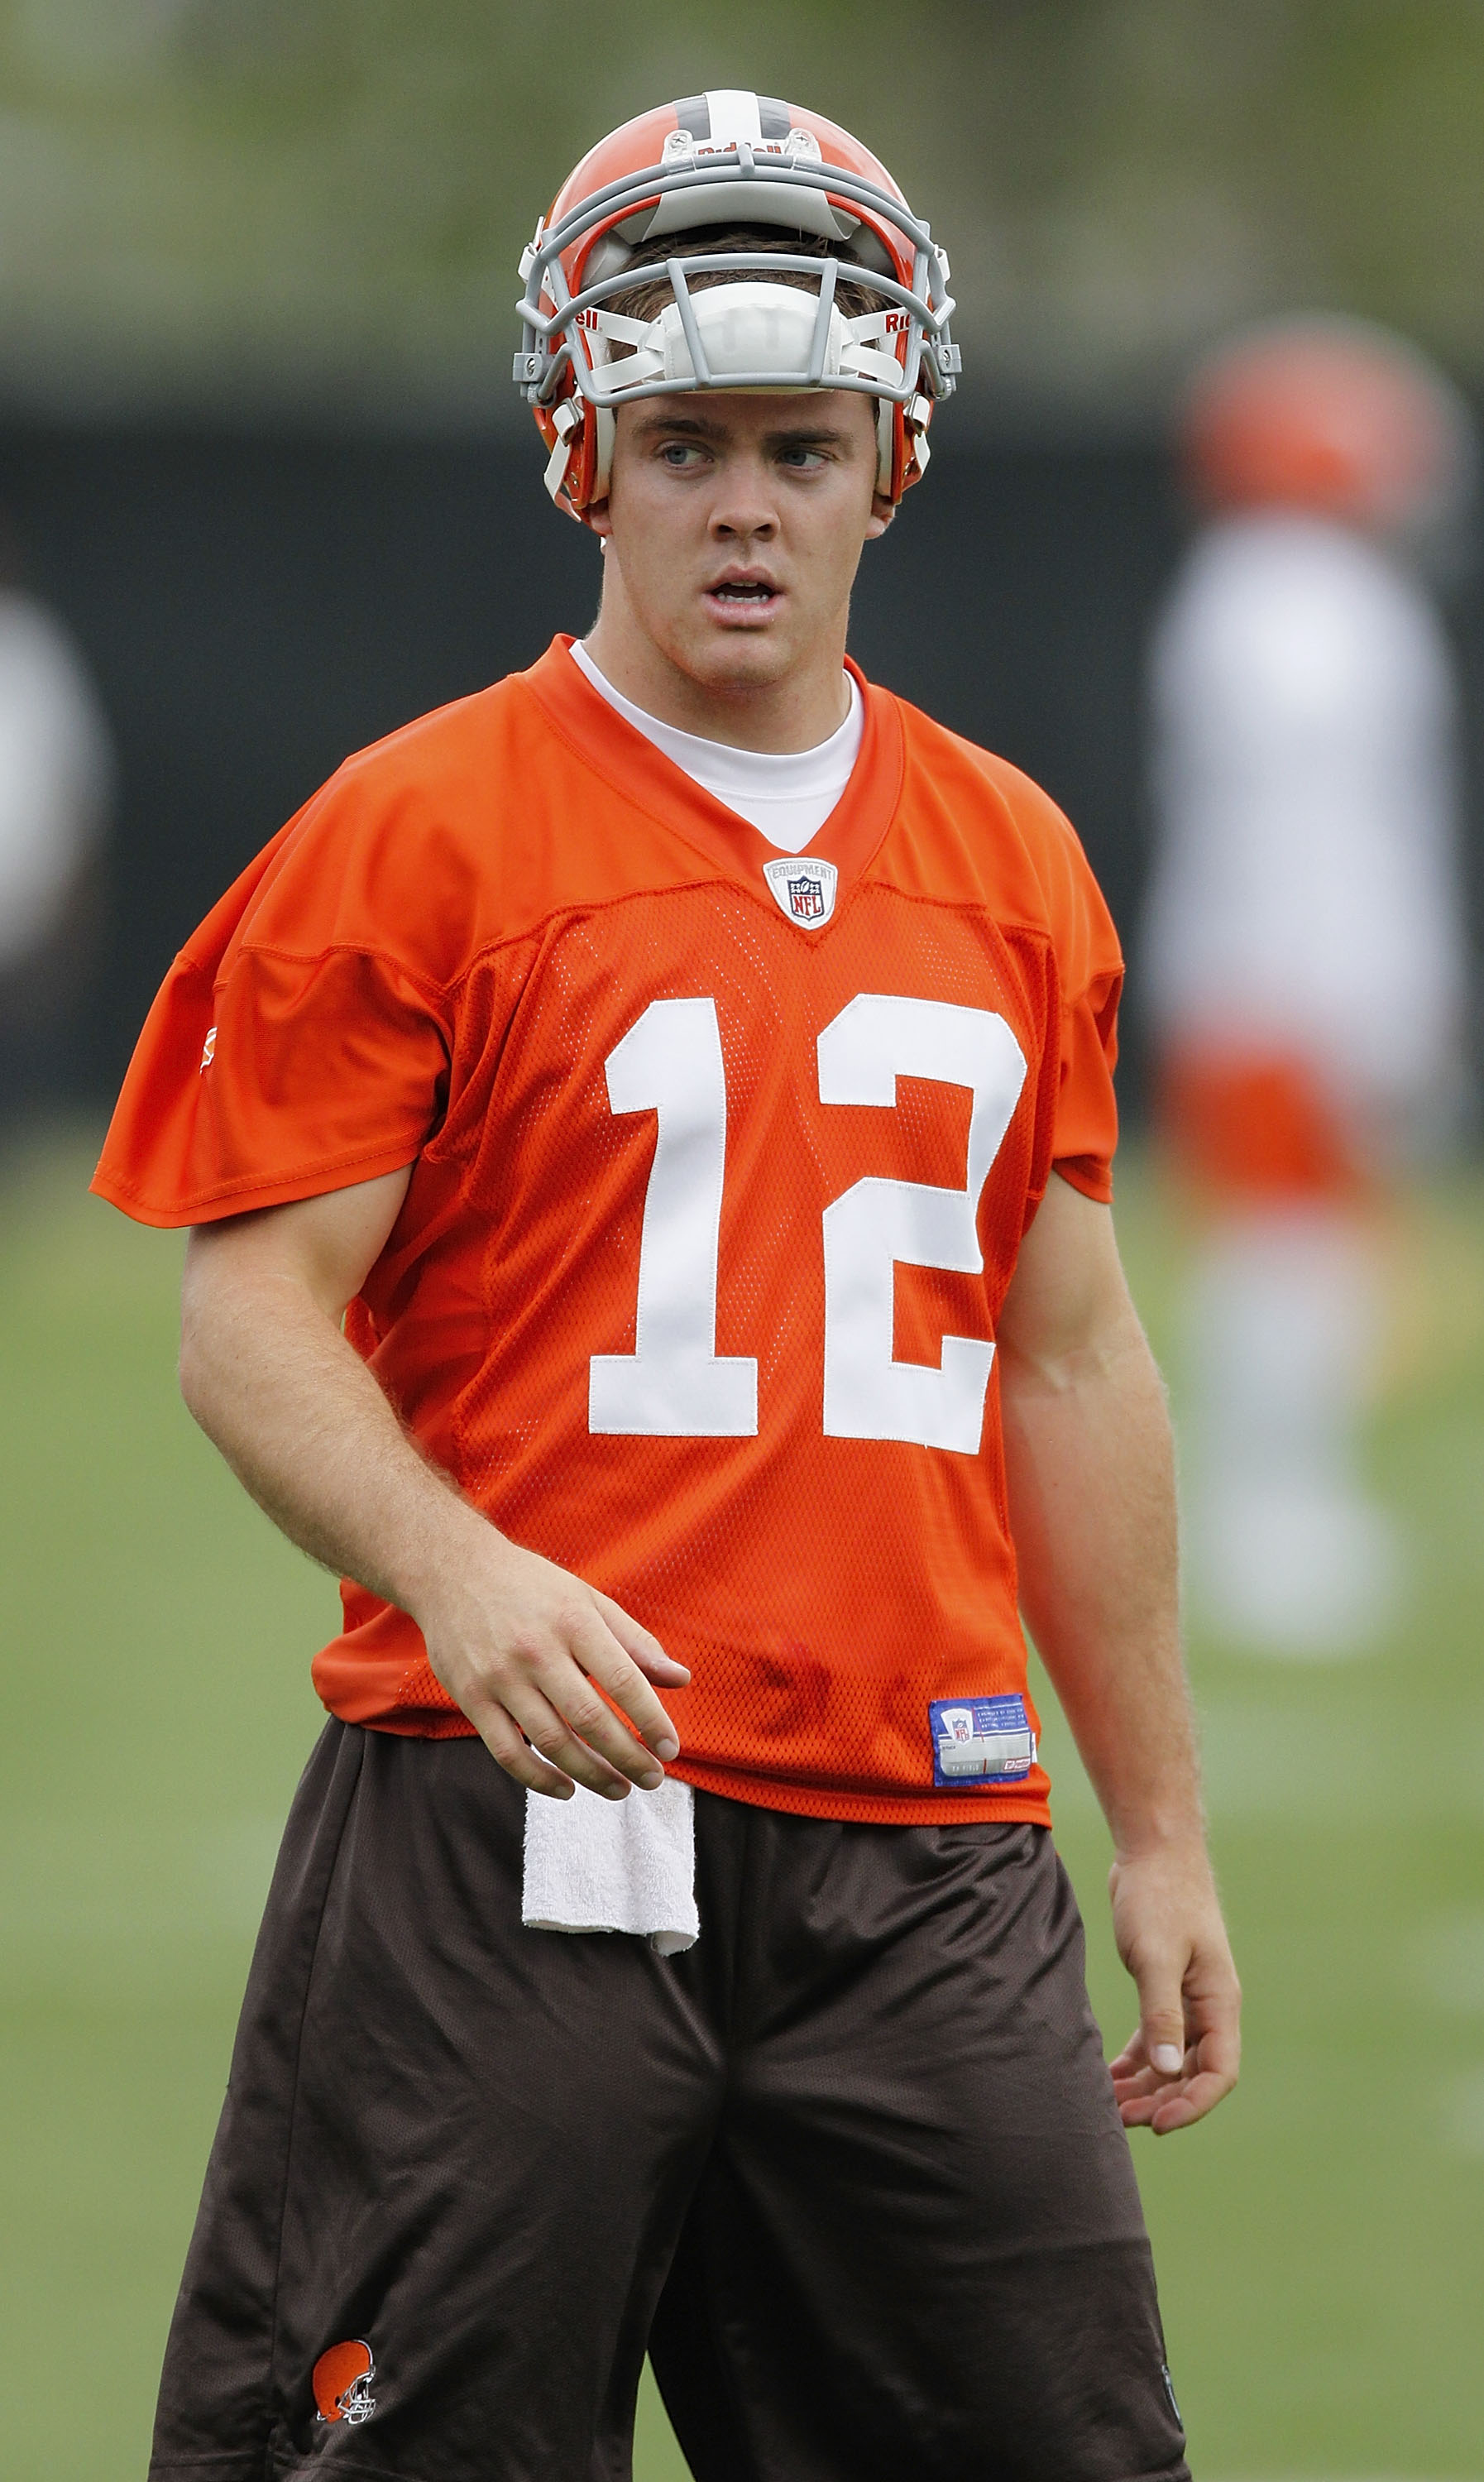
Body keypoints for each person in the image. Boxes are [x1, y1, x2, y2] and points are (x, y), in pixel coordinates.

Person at [94, 91, 1238, 2482]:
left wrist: (1154, 1827)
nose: (742, 503)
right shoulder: (411, 829)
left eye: (799, 446)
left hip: (924, 1847)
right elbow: (249, 1320)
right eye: (681, 439)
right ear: (577, 453)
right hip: (500, 1821)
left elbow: (1069, 1346)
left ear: (890, 461)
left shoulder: (1013, 853)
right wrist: (457, 1566)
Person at [1144, 318, 1473, 1653]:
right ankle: (1268, 1519)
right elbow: (1323, 834)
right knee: (1289, 1252)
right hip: (1290, 976)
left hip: (1268, 969)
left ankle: (1281, 1505)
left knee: (1296, 1248)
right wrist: (1376, 998)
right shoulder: (1304, 605)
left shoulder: (1266, 593)